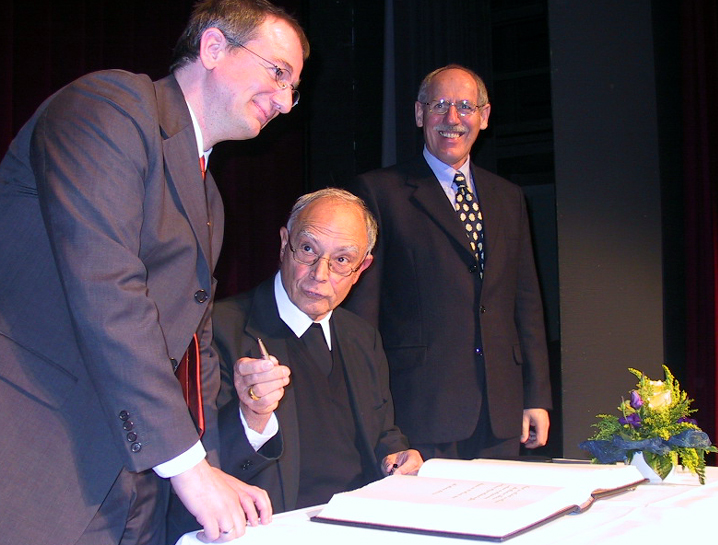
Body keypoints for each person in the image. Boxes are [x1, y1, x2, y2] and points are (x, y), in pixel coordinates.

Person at [0, 1, 308, 544]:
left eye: (293, 87)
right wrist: (190, 470)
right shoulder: (111, 106)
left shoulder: (208, 195)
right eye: (278, 71)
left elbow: (194, 351)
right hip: (39, 455)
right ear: (213, 48)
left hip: (134, 480)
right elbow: (107, 291)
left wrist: (208, 468)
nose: (284, 102)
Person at [345, 64, 553, 461]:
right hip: (418, 412)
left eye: (464, 106)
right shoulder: (379, 192)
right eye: (439, 105)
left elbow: (526, 304)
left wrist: (535, 395)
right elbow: (362, 316)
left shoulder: (509, 197)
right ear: (420, 113)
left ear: (484, 116)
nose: (452, 119)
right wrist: (374, 415)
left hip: (501, 413)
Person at [209, 188, 422, 514]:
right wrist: (252, 416)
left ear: (362, 268)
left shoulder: (362, 337)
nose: (320, 275)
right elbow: (201, 465)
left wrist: (398, 456)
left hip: (360, 520)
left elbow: (382, 432)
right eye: (308, 249)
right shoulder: (218, 329)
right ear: (284, 243)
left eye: (341, 260)